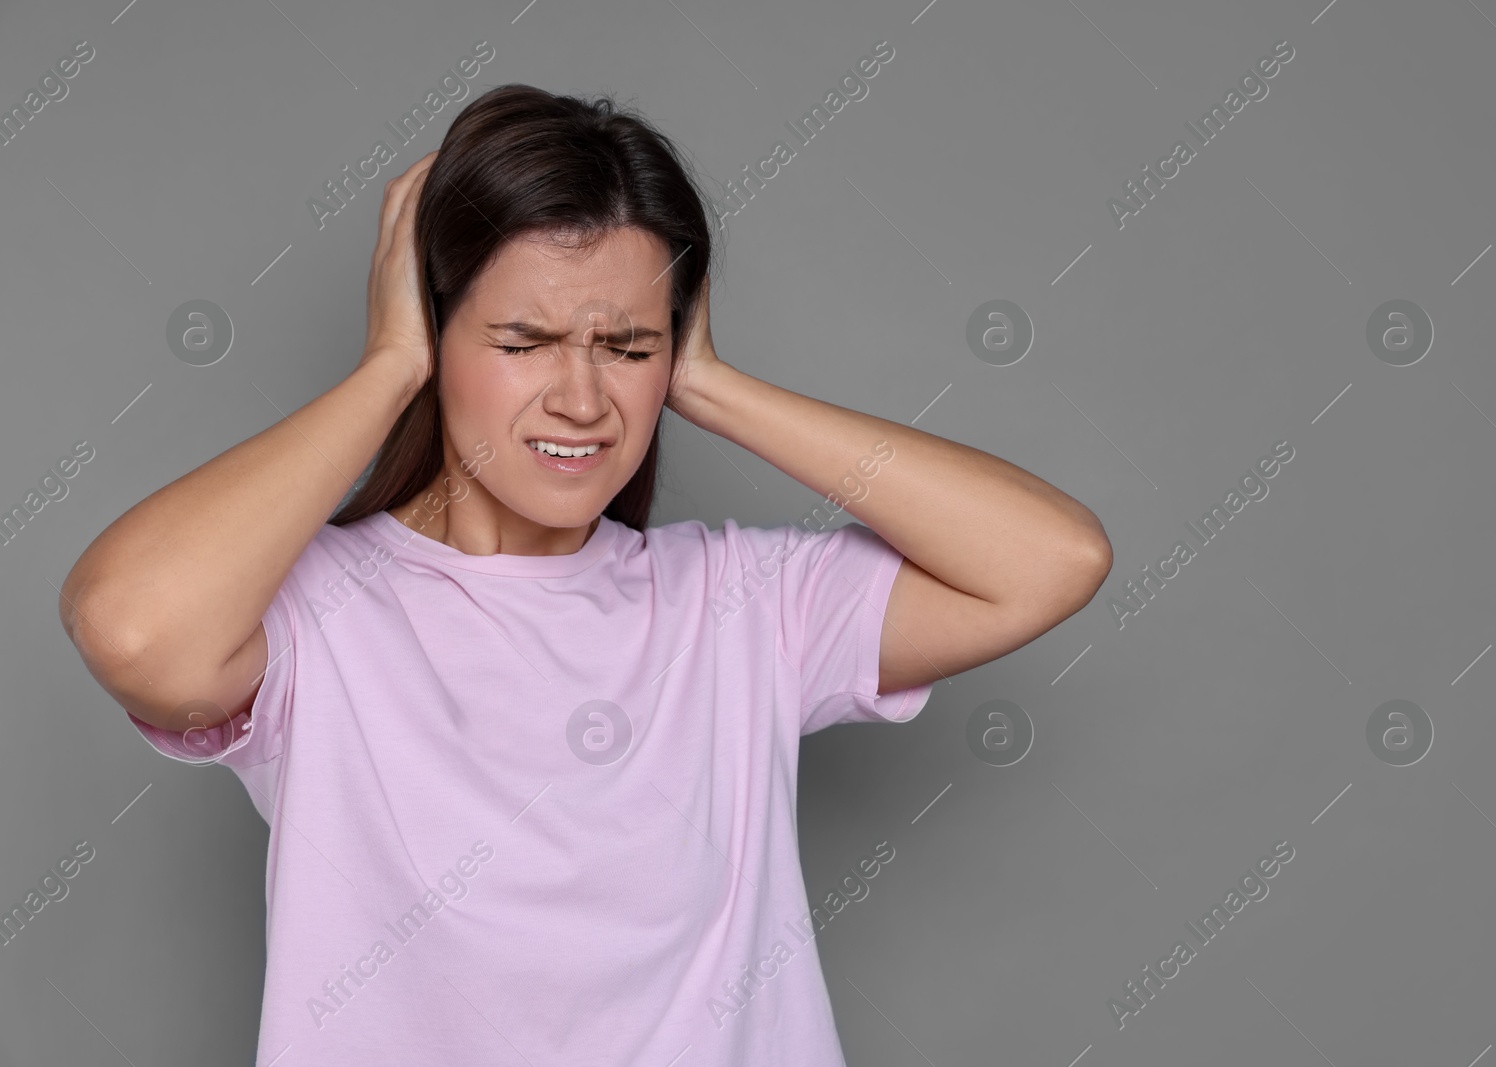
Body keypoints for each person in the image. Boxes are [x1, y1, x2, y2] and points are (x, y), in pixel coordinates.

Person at [58, 85, 1112, 1066]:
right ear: (433, 331)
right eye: (523, 339)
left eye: (625, 345)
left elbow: (1048, 559)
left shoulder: (741, 605)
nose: (581, 398)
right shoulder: (315, 614)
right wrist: (386, 370)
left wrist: (711, 385)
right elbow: (138, 630)